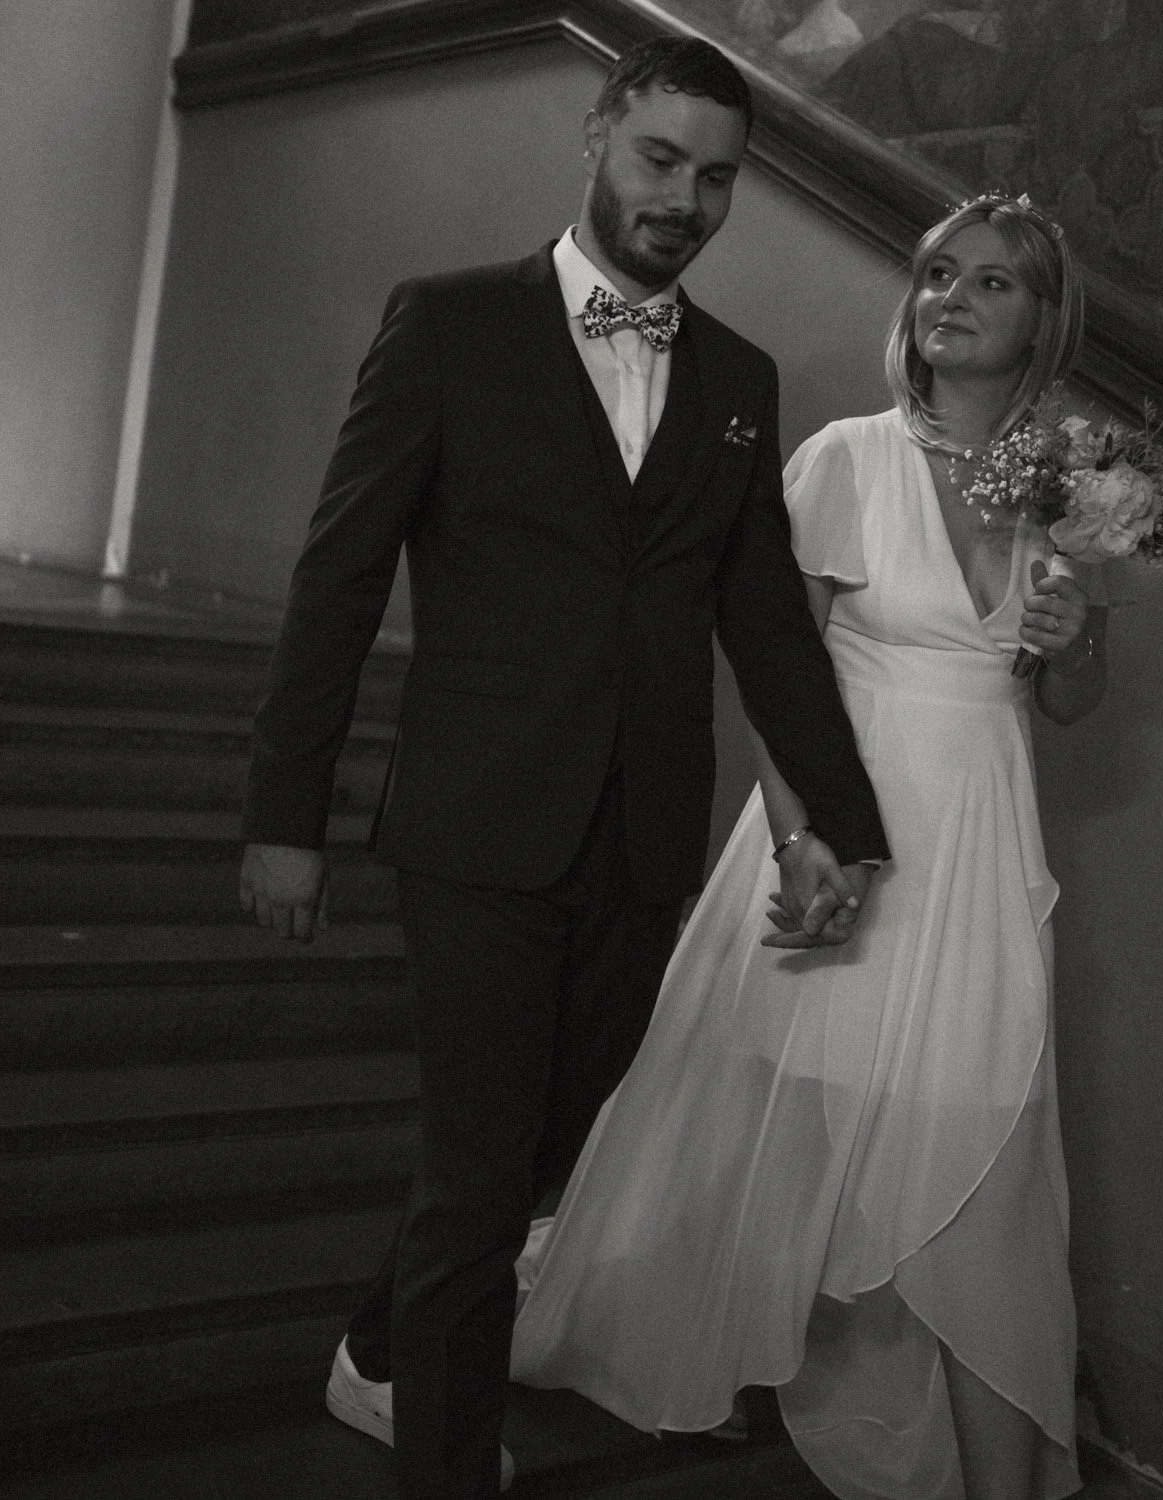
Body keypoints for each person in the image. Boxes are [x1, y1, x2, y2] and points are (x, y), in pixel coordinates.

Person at [238, 36, 888, 1500]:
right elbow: (339, 576)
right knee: (480, 1173)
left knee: (549, 1152)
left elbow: (766, 623)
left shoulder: (739, 378)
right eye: (660, 159)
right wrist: (287, 814)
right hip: (475, 825)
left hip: (641, 840)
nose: (684, 200)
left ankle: (380, 1347)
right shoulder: (450, 325)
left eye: (716, 178)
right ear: (597, 133)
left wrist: (841, 824)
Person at [511, 193, 1106, 1500]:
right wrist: (803, 844)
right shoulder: (847, 458)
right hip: (844, 843)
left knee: (986, 1178)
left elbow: (1061, 699)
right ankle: (672, 1336)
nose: (950, 298)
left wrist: (1079, 646)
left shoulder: (1056, 487)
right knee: (765, 1146)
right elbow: (783, 672)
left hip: (981, 865)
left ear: (1044, 321)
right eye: (937, 273)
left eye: (991, 282)